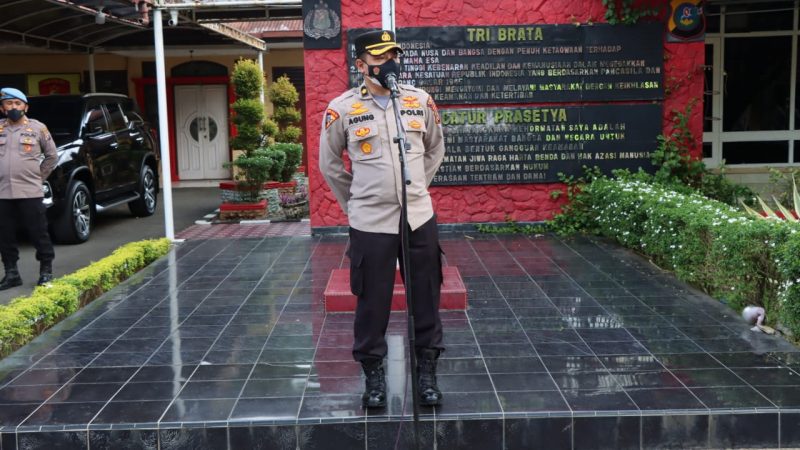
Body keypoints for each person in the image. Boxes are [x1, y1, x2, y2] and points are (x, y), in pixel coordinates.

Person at [319, 29, 446, 409]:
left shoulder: (419, 100)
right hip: (370, 222)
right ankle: (372, 377)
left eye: (393, 56)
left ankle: (427, 373)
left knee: (426, 297)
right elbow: (329, 165)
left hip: (418, 217)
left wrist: (415, 188)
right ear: (361, 65)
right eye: (379, 58)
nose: (389, 64)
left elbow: (434, 149)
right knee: (372, 302)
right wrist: (358, 203)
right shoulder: (341, 109)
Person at [0, 87, 57, 289]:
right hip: (3, 192)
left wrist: (37, 177)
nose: (13, 107)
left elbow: (52, 156)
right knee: (5, 235)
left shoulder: (38, 128)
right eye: (9, 103)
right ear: (2, 107)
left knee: (38, 232)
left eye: (17, 103)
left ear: (25, 106)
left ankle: (46, 271)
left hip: (29, 191)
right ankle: (12, 274)